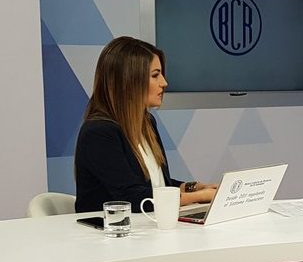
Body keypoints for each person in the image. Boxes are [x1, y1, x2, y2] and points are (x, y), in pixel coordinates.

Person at [74, 36, 217, 213]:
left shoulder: (147, 122)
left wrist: (195, 188)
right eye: (155, 75)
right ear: (128, 81)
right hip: (113, 228)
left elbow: (158, 187)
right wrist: (200, 197)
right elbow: (133, 198)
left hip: (148, 224)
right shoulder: (98, 133)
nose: (164, 83)